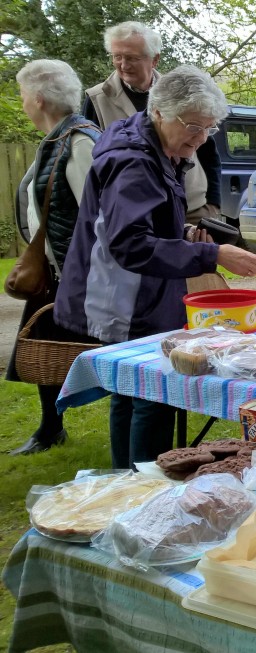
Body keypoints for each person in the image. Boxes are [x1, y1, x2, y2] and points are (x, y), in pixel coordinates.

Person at [55, 65, 256, 469]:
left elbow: (139, 222)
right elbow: (128, 243)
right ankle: (145, 483)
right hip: (121, 297)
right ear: (158, 113)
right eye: (193, 126)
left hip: (136, 293)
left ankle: (126, 478)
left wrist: (181, 231)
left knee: (129, 392)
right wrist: (213, 255)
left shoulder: (154, 147)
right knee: (151, 394)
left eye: (209, 128)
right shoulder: (135, 161)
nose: (201, 138)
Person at [6, 60, 102, 456]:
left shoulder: (80, 143)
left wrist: (82, 274)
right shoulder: (56, 140)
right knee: (41, 349)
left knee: (97, 355)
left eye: (24, 95)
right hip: (56, 269)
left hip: (75, 273)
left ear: (39, 99)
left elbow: (97, 216)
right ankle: (50, 429)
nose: (24, 103)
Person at [82, 21, 224, 228]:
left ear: (154, 59)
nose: (123, 64)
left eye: (131, 57)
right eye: (117, 56)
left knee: (201, 258)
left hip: (193, 205)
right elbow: (91, 160)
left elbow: (208, 150)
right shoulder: (96, 99)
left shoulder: (183, 90)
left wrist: (213, 202)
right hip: (138, 209)